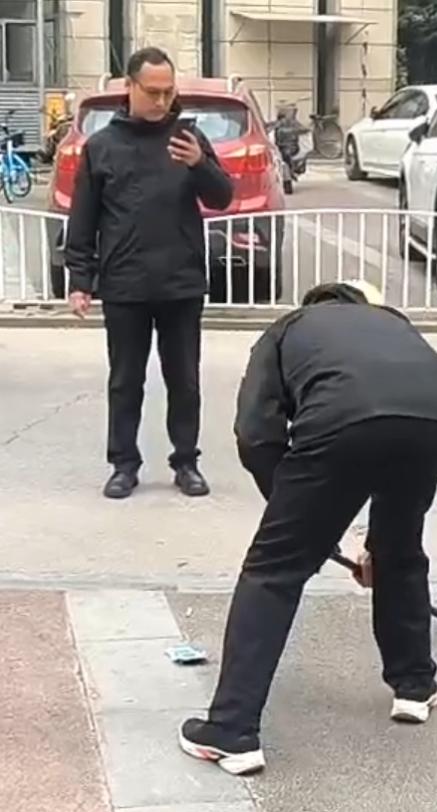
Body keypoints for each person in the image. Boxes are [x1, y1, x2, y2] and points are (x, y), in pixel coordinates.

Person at [179, 282, 437, 776]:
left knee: (272, 572)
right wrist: (323, 526)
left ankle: (231, 729)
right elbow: (407, 394)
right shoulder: (391, 321)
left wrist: (294, 518)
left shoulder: (287, 329)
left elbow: (256, 433)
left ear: (314, 306)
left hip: (344, 419)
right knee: (398, 548)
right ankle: (415, 685)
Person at [65, 46, 233, 500]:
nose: (161, 101)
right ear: (130, 87)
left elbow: (222, 198)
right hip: (125, 283)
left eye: (168, 92)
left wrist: (200, 164)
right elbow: (84, 217)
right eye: (153, 92)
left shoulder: (189, 139)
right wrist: (80, 280)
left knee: (185, 380)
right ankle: (124, 464)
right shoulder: (102, 146)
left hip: (181, 281)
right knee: (125, 381)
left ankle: (186, 462)